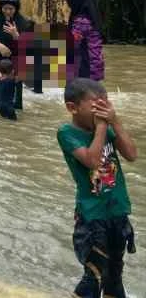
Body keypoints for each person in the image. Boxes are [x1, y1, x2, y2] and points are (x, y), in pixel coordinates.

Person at [57, 78, 137, 297]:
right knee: (94, 276)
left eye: (106, 105)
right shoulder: (67, 133)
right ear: (72, 108)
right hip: (93, 216)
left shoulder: (108, 129)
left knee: (114, 275)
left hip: (117, 210)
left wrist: (115, 122)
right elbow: (92, 161)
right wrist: (102, 125)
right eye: (96, 106)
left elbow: (131, 154)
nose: (102, 111)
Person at [65, 0, 105, 82]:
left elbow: (71, 44)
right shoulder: (92, 17)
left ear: (77, 0)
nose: (67, 4)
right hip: (94, 68)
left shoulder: (82, 21)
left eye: (69, 0)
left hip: (85, 70)